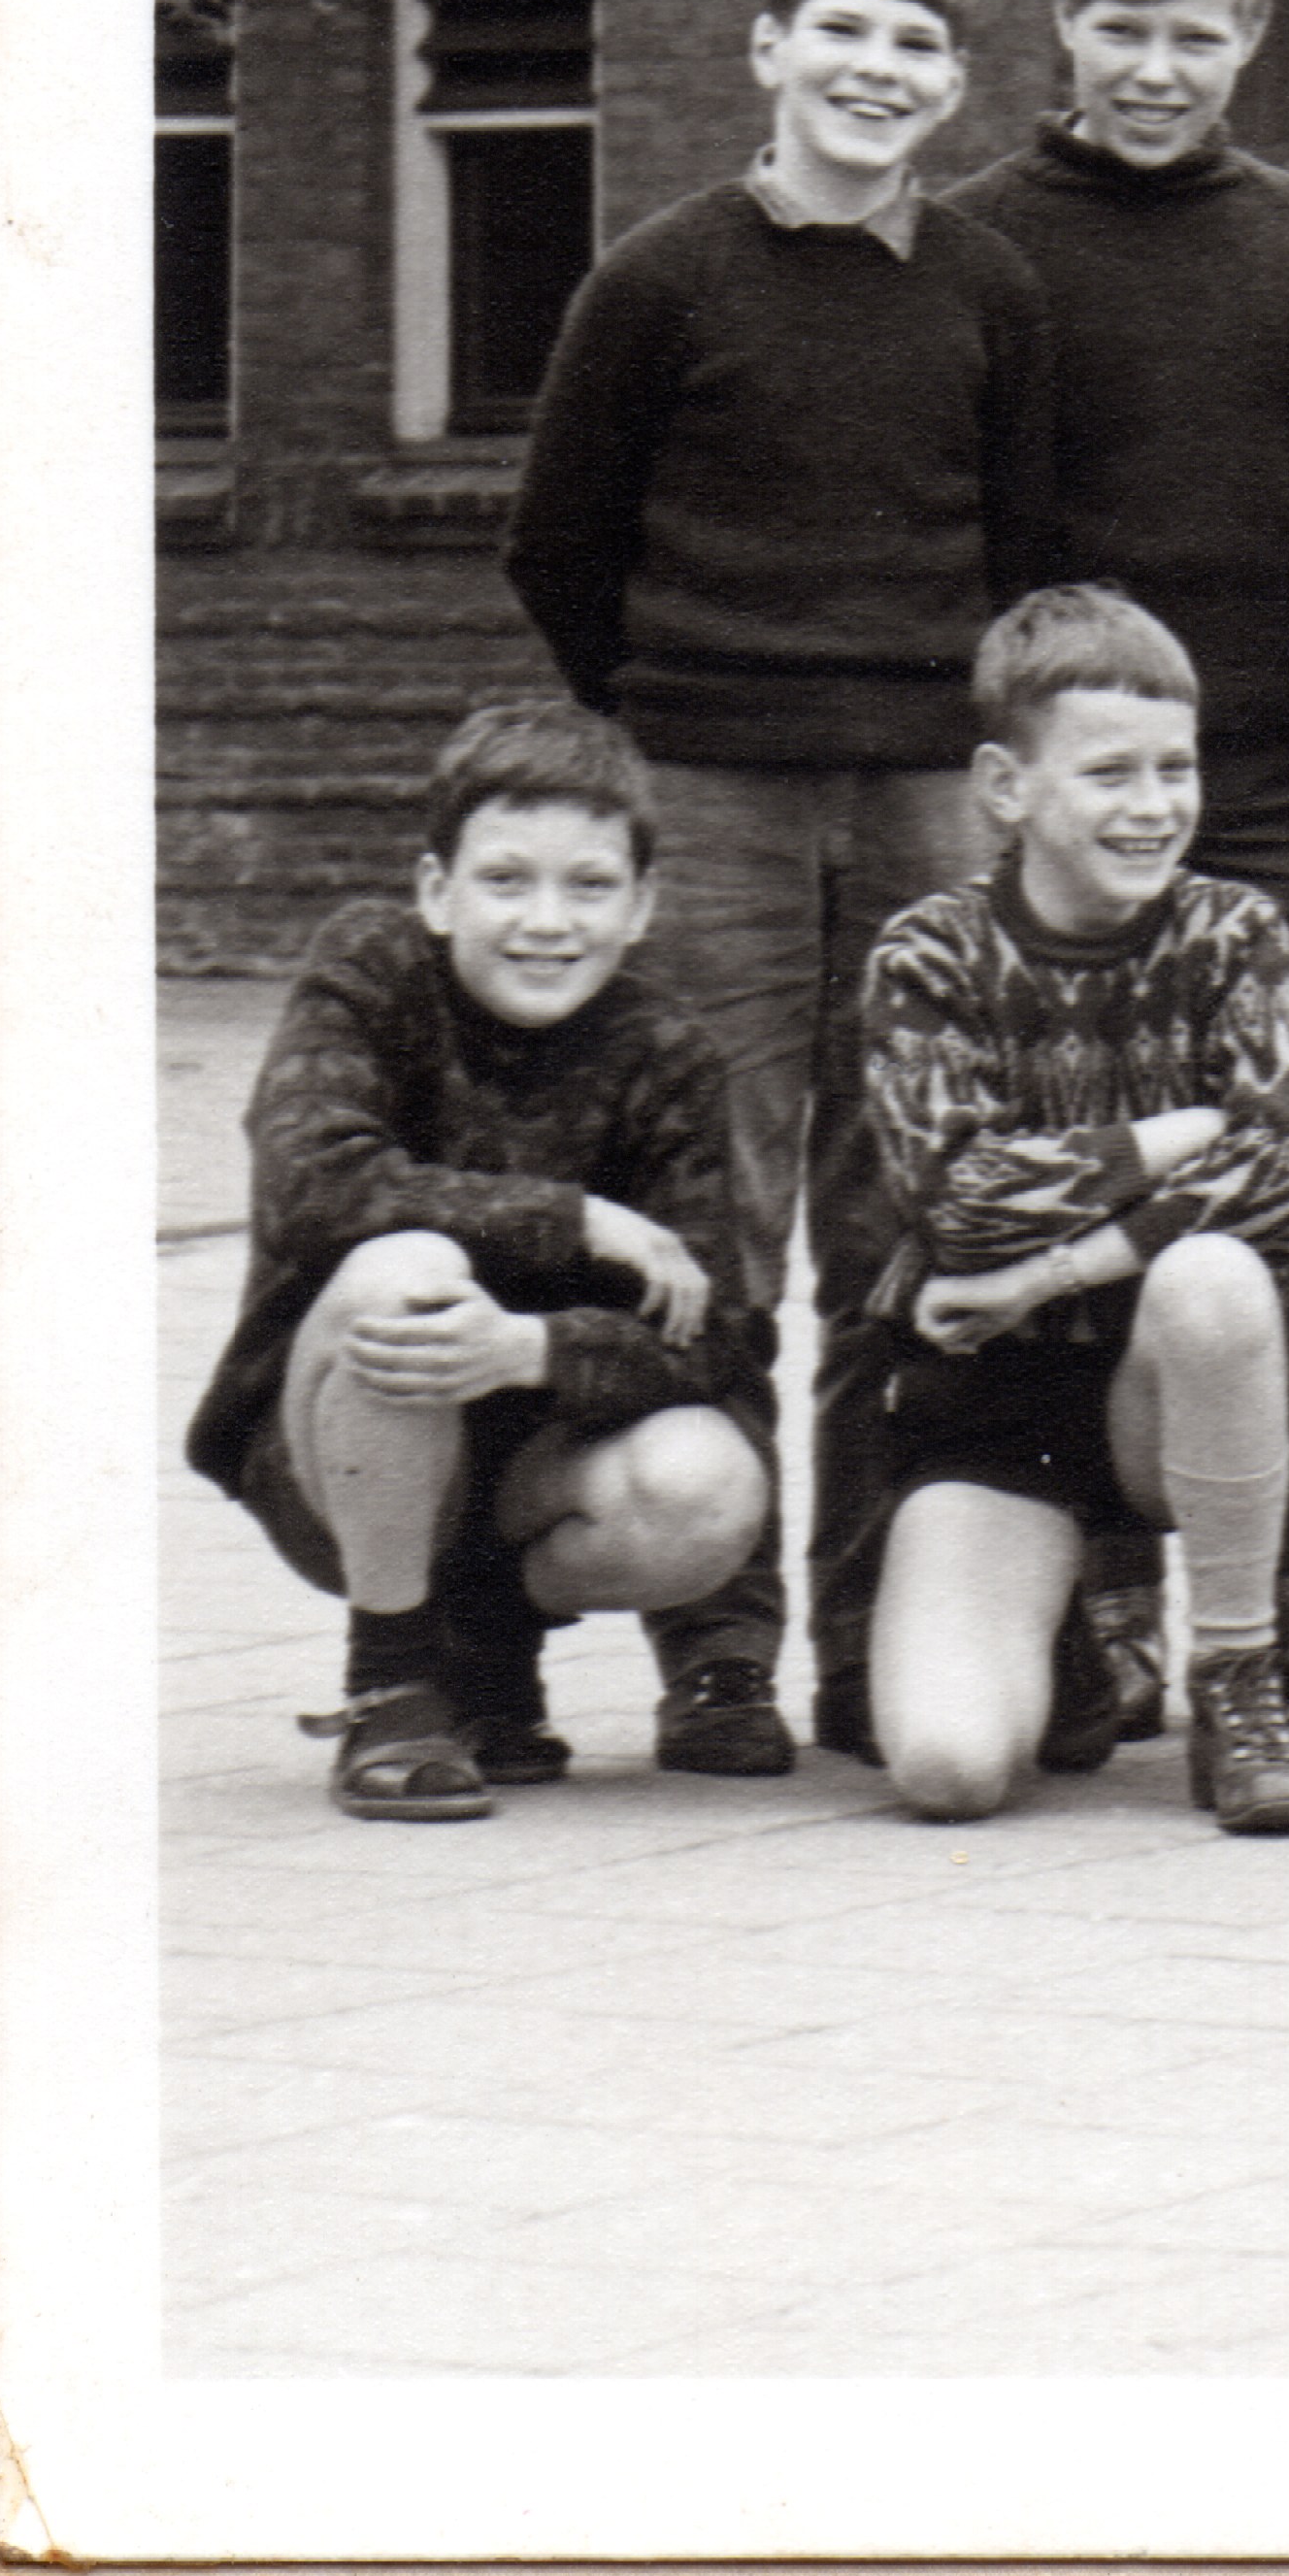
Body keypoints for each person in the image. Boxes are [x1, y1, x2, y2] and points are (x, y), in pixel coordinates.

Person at [495, 0, 1058, 1772]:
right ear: (768, 48)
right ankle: (718, 1649)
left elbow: (1027, 551)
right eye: (845, 29)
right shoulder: (661, 277)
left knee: (901, 1218)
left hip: (917, 797)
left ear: (956, 82)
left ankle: (871, 1633)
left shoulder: (985, 292)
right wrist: (681, 710)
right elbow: (558, 543)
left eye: (916, 43)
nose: (876, 68)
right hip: (715, 790)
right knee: (711, 1217)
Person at [201, 700, 773, 1816]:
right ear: (435, 890)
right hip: (330, 1445)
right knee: (406, 1272)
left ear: (644, 904)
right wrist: (573, 1221)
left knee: (705, 1484)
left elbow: (709, 1337)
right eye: (507, 880)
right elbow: (318, 1184)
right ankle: (391, 1685)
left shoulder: (669, 1054)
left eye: (590, 885)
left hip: (528, 1467)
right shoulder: (371, 972)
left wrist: (528, 1348)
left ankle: (488, 1648)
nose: (547, 922)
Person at [847, 587, 1289, 1832]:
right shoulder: (930, 955)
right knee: (950, 1770)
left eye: (1176, 769)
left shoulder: (1235, 935)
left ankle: (1237, 1679)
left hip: (1175, 1404)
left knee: (1219, 1277)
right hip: (1003, 1418)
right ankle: (1059, 1625)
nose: (1155, 806)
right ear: (1007, 789)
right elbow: (956, 1199)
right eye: (1110, 773)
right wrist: (1166, 1136)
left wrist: (1042, 1276)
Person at [944, 0, 1289, 1070]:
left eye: (1195, 37)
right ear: (1065, 18)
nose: (1155, 73)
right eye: (1122, 31)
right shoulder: (979, 237)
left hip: (1276, 769)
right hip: (1064, 767)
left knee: (1280, 1110)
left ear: (1252, 35)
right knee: (1070, 1099)